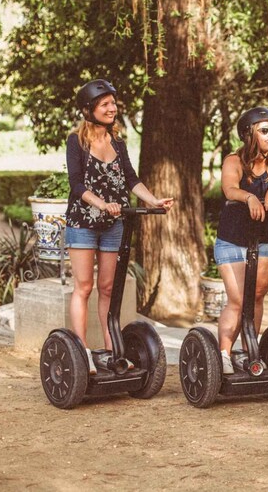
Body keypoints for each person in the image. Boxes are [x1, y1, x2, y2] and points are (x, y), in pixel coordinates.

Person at [65, 79, 174, 374]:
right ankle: (81, 352)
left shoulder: (118, 143)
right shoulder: (77, 141)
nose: (112, 108)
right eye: (105, 104)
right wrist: (101, 204)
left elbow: (131, 179)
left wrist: (153, 201)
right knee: (84, 287)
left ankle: (113, 351)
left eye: (113, 103)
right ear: (89, 110)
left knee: (108, 288)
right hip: (84, 223)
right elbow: (76, 185)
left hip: (114, 224)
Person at [215, 106, 268, 375]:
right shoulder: (233, 161)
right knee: (238, 300)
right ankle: (223, 354)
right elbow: (229, 188)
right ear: (249, 133)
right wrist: (248, 197)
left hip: (267, 237)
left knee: (257, 295)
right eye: (265, 130)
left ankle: (250, 351)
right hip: (233, 239)